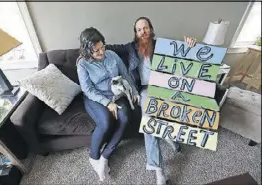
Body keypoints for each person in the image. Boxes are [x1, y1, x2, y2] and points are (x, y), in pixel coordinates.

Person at [106, 17, 196, 185]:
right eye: (139, 29)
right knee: (148, 124)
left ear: (151, 29)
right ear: (136, 33)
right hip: (146, 89)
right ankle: (158, 170)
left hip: (166, 87)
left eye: (145, 28)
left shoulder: (163, 44)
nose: (143, 32)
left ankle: (168, 135)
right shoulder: (130, 47)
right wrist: (88, 53)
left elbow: (182, 54)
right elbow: (109, 48)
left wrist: (190, 46)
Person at [77, 27, 140, 181]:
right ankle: (93, 156)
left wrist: (134, 91)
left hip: (117, 95)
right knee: (105, 122)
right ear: (87, 51)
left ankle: (105, 156)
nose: (101, 52)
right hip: (95, 98)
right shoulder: (82, 64)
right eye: (96, 50)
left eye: (102, 47)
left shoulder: (112, 55)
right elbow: (87, 89)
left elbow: (125, 74)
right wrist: (107, 103)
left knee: (125, 118)